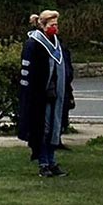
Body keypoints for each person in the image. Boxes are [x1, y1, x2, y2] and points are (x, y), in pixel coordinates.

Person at [16, 10, 74, 177]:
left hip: (57, 94)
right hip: (39, 97)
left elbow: (66, 67)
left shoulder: (58, 44)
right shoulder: (33, 44)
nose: (55, 28)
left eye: (56, 25)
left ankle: (52, 161)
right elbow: (27, 73)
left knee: (55, 128)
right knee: (43, 129)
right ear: (42, 25)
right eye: (51, 25)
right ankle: (43, 163)